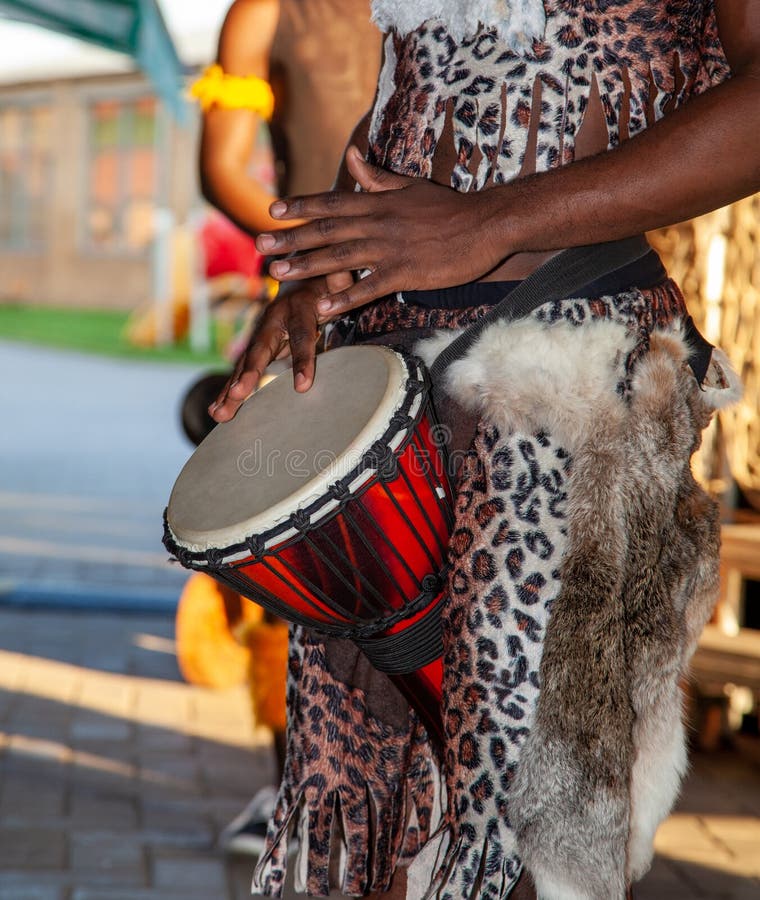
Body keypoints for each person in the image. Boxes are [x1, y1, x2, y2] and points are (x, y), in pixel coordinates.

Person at [211, 1, 758, 897]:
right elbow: (415, 80)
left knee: (521, 832)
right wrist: (333, 259)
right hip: (385, 386)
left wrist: (489, 221)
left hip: (564, 379)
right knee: (363, 815)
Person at [188, 0, 381, 856]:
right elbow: (225, 168)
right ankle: (297, 788)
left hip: (457, 283)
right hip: (311, 298)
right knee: (293, 561)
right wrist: (317, 249)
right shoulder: (263, 11)